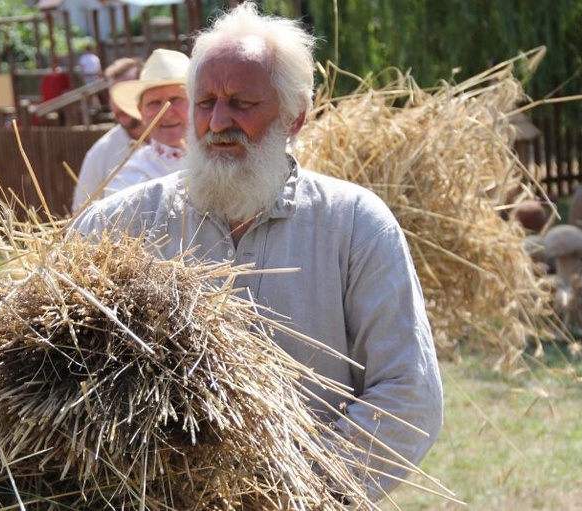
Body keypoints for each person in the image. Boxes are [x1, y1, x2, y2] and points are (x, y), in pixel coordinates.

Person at [73, 1, 442, 502]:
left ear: (294, 117)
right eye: (204, 103)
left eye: (242, 103)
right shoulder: (119, 225)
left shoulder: (355, 225)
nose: (218, 121)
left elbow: (408, 392)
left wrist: (298, 492)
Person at [103, 48, 190, 198]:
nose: (167, 113)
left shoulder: (228, 159)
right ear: (140, 111)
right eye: (154, 103)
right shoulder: (128, 180)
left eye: (176, 99)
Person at [72, 57, 145, 211]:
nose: (119, 104)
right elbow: (80, 213)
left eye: (126, 94)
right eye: (113, 95)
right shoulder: (100, 153)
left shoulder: (174, 142)